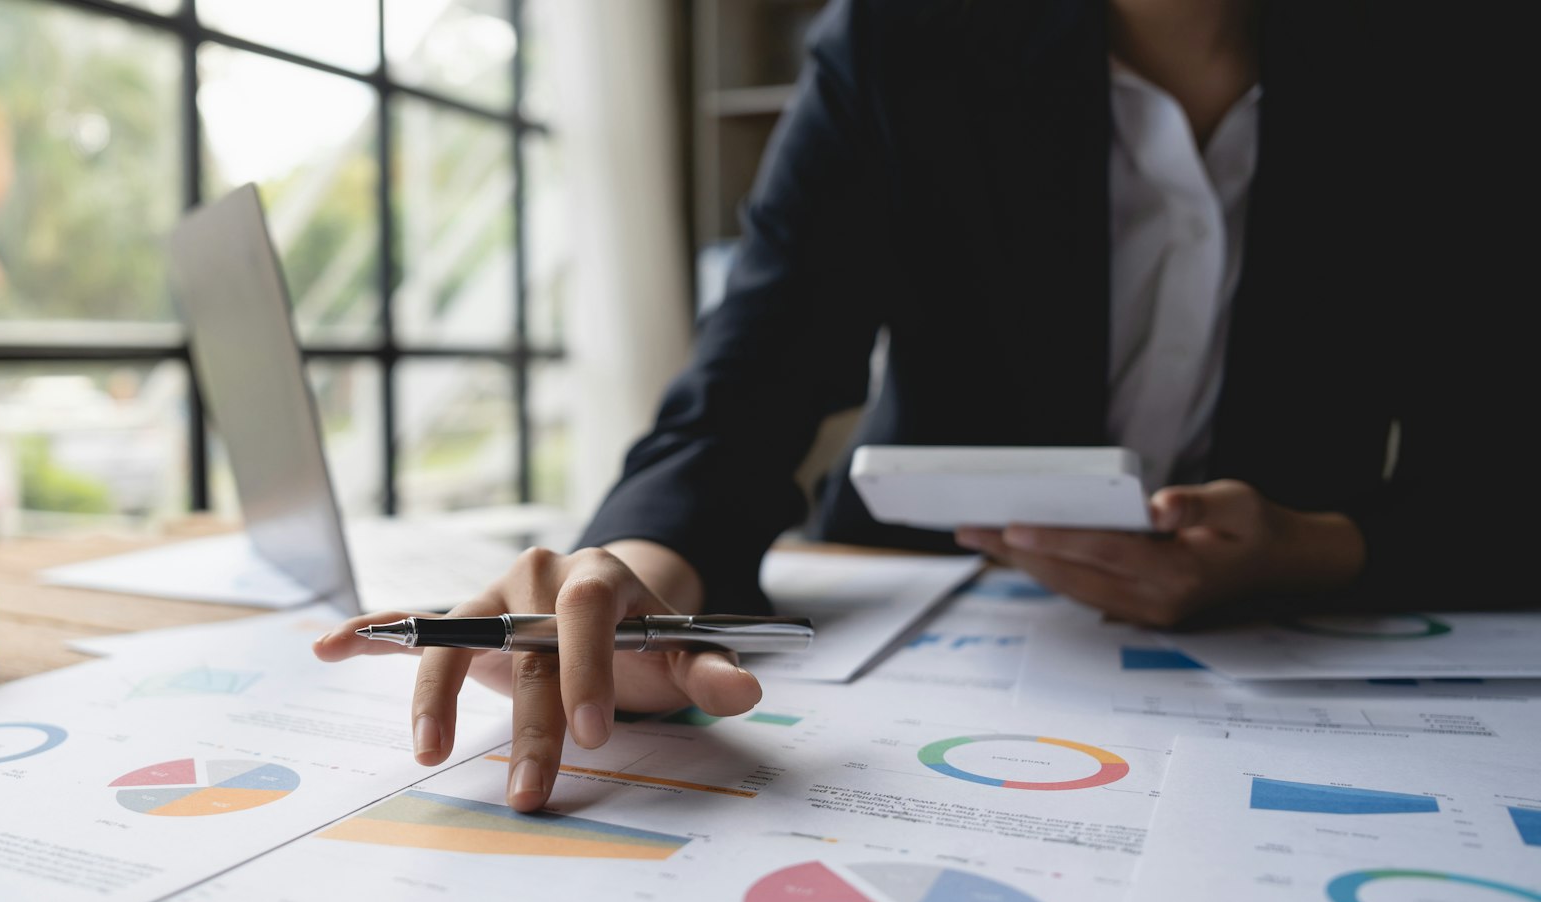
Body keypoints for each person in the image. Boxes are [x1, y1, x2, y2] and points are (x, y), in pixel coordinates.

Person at [316, 0, 1529, 811]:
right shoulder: (902, 35)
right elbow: (750, 380)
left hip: (1302, 651)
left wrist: (1315, 548)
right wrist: (638, 572)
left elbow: (1503, 457)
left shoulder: (1471, 58)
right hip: (918, 621)